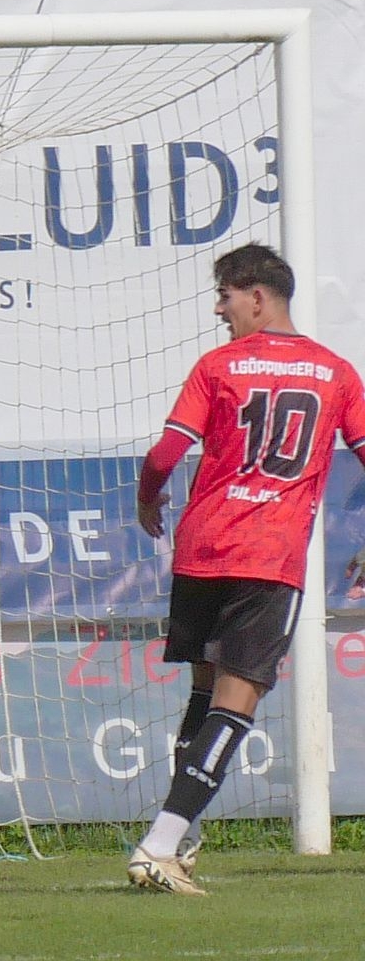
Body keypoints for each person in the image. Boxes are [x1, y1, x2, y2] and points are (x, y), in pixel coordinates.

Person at [129, 243, 365, 895]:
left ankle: (182, 834)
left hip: (202, 550)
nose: (219, 309)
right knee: (235, 708)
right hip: (268, 557)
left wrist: (147, 499)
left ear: (257, 297)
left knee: (204, 697)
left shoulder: (218, 366)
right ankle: (159, 846)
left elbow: (164, 455)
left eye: (225, 296)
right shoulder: (336, 373)